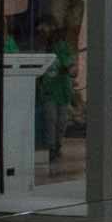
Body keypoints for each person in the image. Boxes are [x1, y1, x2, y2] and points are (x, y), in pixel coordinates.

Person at [37, 18, 73, 164]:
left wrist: (70, 68)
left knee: (60, 121)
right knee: (51, 119)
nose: (42, 32)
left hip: (61, 90)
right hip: (49, 91)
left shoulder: (61, 46)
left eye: (45, 29)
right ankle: (51, 148)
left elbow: (68, 65)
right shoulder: (42, 46)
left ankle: (56, 146)